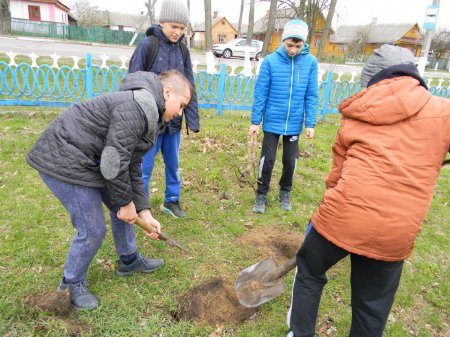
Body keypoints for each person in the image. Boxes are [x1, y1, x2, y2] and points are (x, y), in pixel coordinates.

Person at [286, 44, 450, 337]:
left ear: (373, 81)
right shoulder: (443, 112)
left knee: (309, 268)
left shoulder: (358, 111)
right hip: (396, 231)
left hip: (344, 216)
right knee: (371, 306)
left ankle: (299, 333)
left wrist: (323, 217)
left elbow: (336, 175)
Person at [26, 70, 193, 310]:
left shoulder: (150, 111)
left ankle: (129, 259)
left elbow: (132, 164)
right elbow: (113, 161)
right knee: (93, 228)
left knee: (124, 205)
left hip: (93, 158)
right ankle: (70, 284)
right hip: (66, 157)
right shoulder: (137, 108)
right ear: (167, 93)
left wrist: (143, 211)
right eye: (181, 105)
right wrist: (126, 204)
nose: (180, 113)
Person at [128, 0, 199, 218]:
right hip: (149, 122)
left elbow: (189, 84)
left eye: (181, 28)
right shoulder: (147, 46)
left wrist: (192, 119)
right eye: (173, 27)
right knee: (144, 167)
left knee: (173, 164)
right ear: (161, 23)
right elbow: (132, 80)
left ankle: (172, 201)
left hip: (174, 122)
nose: (177, 32)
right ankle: (142, 206)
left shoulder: (183, 50)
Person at [248, 19, 318, 214]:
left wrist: (310, 123)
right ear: (283, 41)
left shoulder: (310, 63)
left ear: (304, 43)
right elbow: (261, 92)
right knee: (267, 160)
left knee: (290, 161)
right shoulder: (271, 61)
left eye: (298, 45)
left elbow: (311, 95)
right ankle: (261, 194)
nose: (293, 50)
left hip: (294, 123)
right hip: (272, 121)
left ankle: (285, 191)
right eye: (289, 45)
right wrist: (255, 121)